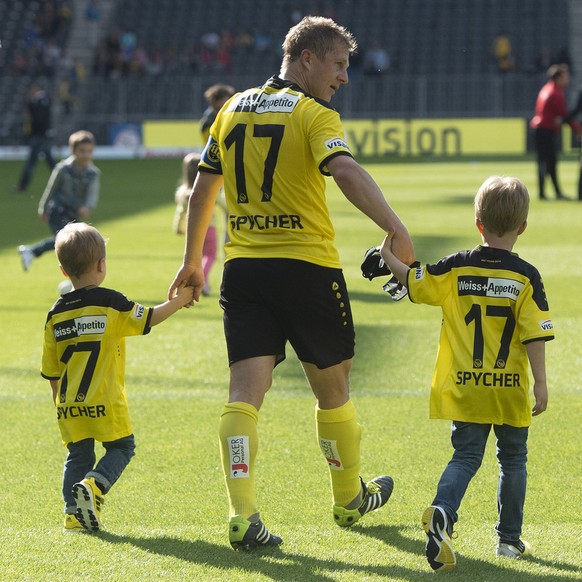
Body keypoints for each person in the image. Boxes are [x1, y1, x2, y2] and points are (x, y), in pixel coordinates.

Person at [169, 16, 415, 551]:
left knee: (243, 394)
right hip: (307, 268)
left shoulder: (229, 109)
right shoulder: (312, 112)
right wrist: (395, 228)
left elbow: (200, 193)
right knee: (333, 388)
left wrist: (192, 261)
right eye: (339, 64)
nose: (344, 77)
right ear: (307, 58)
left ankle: (242, 515)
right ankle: (349, 498)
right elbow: (345, 172)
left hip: (244, 271)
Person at [380, 176, 554, 572]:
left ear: (478, 222)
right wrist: (540, 384)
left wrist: (385, 254)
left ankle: (443, 510)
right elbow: (535, 335)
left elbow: (413, 280)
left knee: (466, 456)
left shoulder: (456, 265)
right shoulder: (526, 276)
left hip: (465, 387)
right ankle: (509, 541)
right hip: (508, 390)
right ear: (522, 226)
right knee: (513, 460)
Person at [41, 222, 194, 532]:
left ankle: (73, 514)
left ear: (63, 270)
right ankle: (95, 487)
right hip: (105, 400)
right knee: (122, 447)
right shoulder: (110, 302)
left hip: (69, 403)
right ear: (101, 265)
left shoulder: (55, 314)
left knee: (78, 453)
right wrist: (180, 300)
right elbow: (149, 318)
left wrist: (60, 403)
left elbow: (51, 370)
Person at [18, 130, 100, 272]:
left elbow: (92, 194)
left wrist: (87, 207)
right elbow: (50, 189)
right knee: (66, 241)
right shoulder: (62, 169)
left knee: (74, 244)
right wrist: (42, 208)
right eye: (82, 151)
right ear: (73, 150)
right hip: (57, 209)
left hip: (74, 213)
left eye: (89, 151)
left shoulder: (93, 173)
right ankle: (33, 252)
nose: (86, 155)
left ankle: (31, 251)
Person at [173, 152, 224, 295]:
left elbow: (180, 212)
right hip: (210, 228)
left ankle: (197, 279)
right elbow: (224, 204)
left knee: (197, 256)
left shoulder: (182, 193)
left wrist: (178, 227)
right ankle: (204, 280)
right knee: (210, 255)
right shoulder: (208, 190)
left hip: (192, 230)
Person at [530, 64, 581, 200]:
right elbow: (564, 115)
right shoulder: (556, 93)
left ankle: (547, 192)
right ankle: (552, 193)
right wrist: (578, 130)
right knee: (549, 162)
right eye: (565, 76)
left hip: (541, 129)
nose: (568, 79)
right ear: (558, 78)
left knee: (546, 161)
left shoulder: (546, 89)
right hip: (546, 130)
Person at [11, 83, 57, 193]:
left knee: (31, 162)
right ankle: (64, 181)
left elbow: (38, 118)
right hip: (44, 135)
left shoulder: (38, 101)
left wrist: (30, 105)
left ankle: (22, 187)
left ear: (34, 89)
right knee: (50, 162)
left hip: (39, 136)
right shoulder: (44, 100)